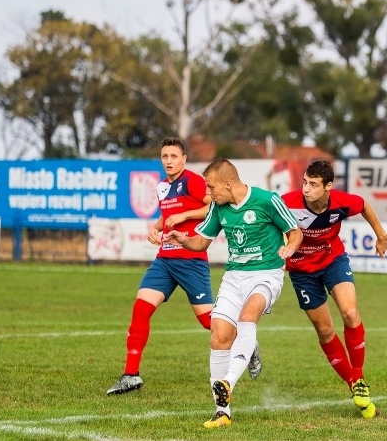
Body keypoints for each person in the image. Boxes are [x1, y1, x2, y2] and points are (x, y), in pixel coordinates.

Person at [163, 158, 303, 429]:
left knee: (248, 316)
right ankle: (222, 412)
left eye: (211, 187)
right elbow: (202, 241)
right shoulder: (218, 206)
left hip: (266, 275)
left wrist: (290, 248)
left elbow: (295, 232)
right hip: (233, 277)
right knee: (219, 336)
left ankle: (228, 382)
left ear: (228, 183)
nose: (208, 193)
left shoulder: (267, 200)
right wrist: (183, 239)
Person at [107, 137, 222, 395]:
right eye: (165, 156)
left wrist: (185, 215)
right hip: (164, 260)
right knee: (141, 308)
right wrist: (156, 227)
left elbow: (214, 207)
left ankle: (246, 342)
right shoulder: (161, 187)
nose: (169, 161)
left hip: (191, 260)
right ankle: (131, 375)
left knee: (208, 321)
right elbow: (166, 214)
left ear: (184, 159)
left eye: (173, 156)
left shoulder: (192, 180)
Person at [281, 159, 387, 420]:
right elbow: (269, 223)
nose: (306, 189)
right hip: (301, 272)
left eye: (314, 185)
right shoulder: (286, 202)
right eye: (305, 182)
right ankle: (353, 385)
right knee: (325, 330)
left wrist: (381, 235)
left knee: (350, 314)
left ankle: (359, 378)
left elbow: (364, 206)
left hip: (332, 261)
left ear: (328, 186)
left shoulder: (341, 202)